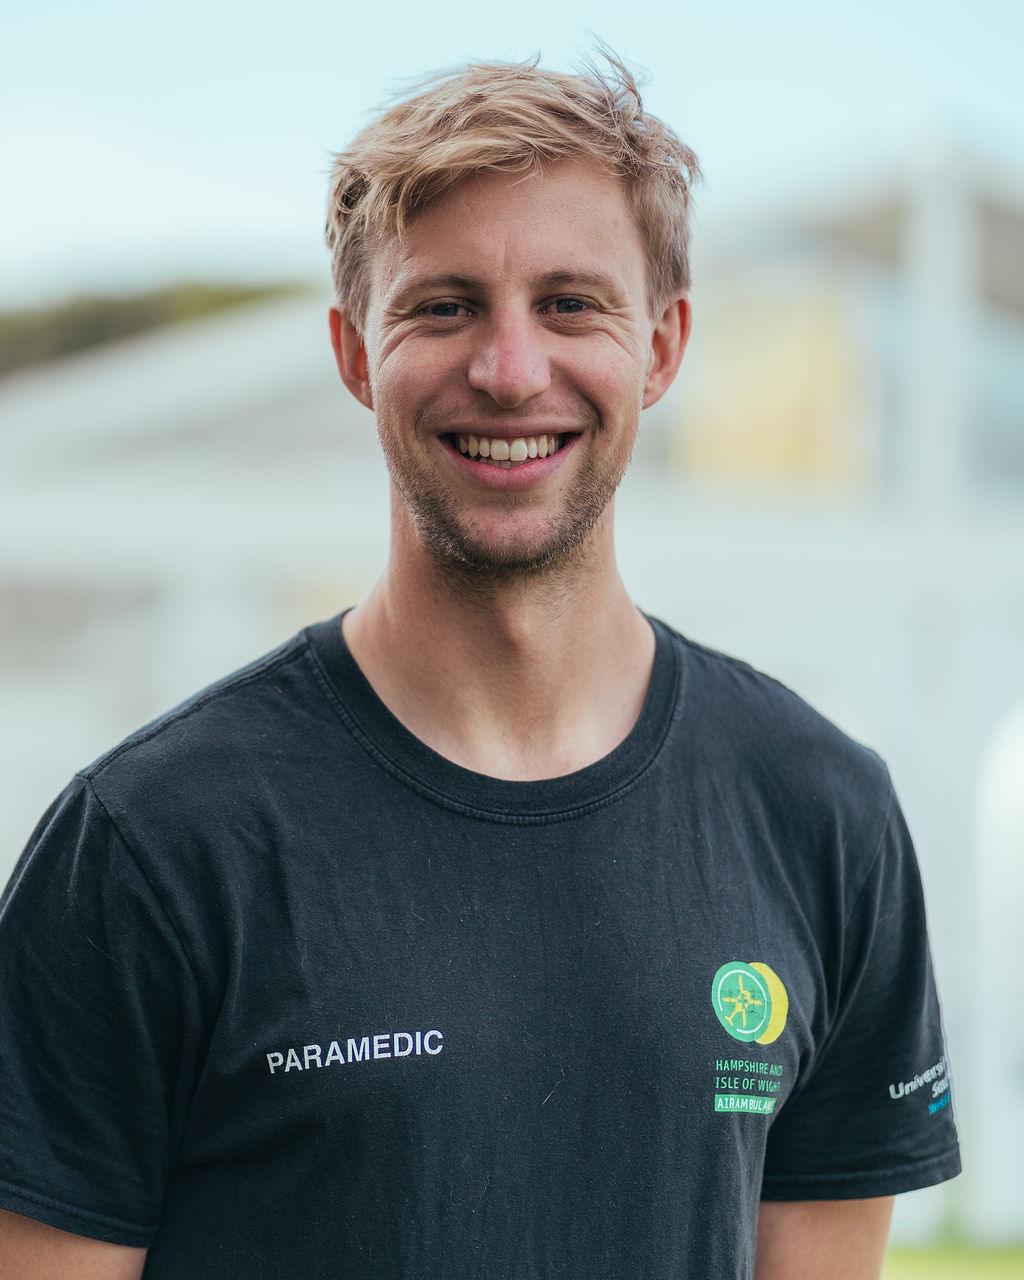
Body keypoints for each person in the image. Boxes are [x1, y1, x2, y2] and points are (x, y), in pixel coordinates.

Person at [0, 52, 960, 1280]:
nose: (510, 369)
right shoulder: (150, 843)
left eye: (571, 304)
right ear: (354, 353)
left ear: (661, 348)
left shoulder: (820, 809)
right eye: (443, 305)